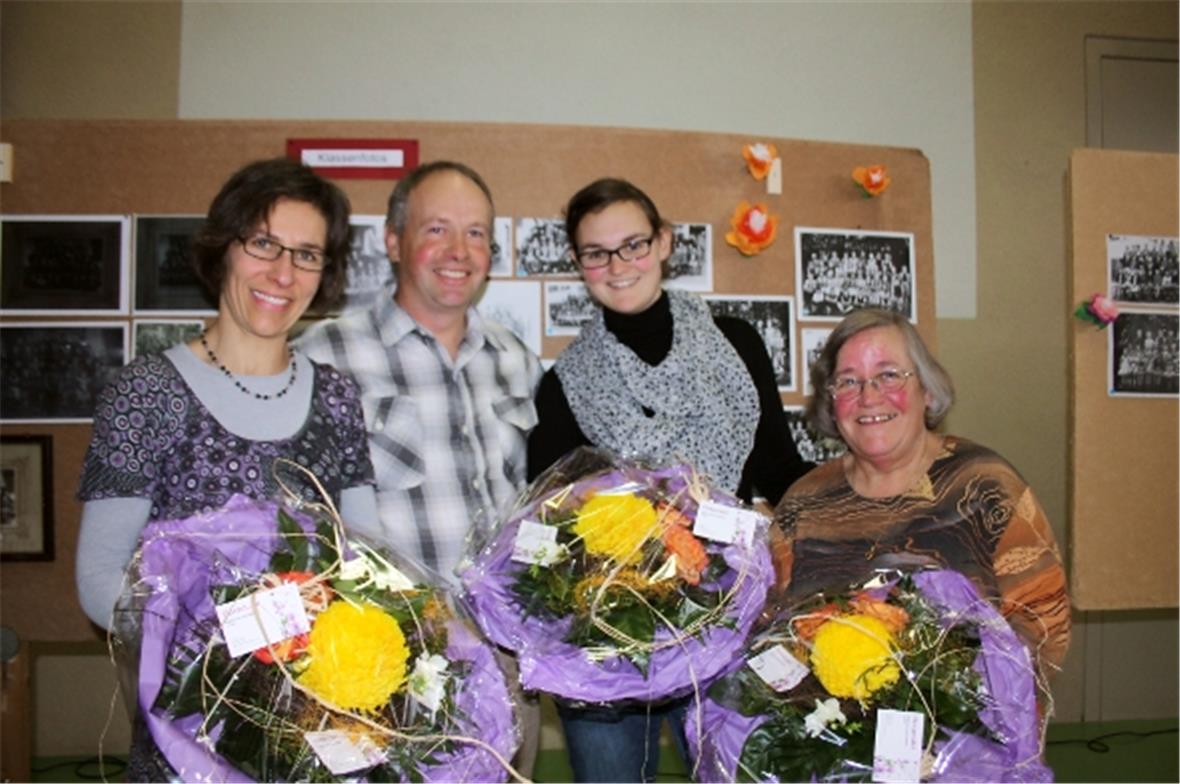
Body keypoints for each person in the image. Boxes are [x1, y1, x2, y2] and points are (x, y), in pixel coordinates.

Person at [75, 157, 378, 781]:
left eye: (306, 254)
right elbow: (101, 581)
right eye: (263, 243)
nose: (283, 273)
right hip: (191, 728)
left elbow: (365, 560)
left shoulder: (337, 397)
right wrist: (230, 646)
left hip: (315, 726)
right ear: (223, 249)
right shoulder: (146, 392)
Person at [527, 177, 810, 783]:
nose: (618, 265)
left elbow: (778, 468)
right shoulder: (564, 383)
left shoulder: (735, 344)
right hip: (612, 637)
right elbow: (552, 519)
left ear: (663, 242)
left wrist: (868, 496)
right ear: (578, 263)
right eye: (597, 253)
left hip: (726, 615)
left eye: (632, 244)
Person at [296, 160, 543, 777]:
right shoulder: (325, 357)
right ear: (392, 241)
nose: (459, 251)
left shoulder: (516, 359)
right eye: (437, 229)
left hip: (507, 661)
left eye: (476, 233)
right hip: (387, 669)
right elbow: (293, 521)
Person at [772, 308, 1071, 687]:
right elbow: (770, 629)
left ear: (927, 390)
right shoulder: (803, 503)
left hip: (965, 720)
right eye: (848, 381)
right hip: (821, 719)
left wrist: (961, 702)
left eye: (888, 375)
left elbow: (1046, 628)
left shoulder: (984, 486)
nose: (868, 396)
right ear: (831, 403)